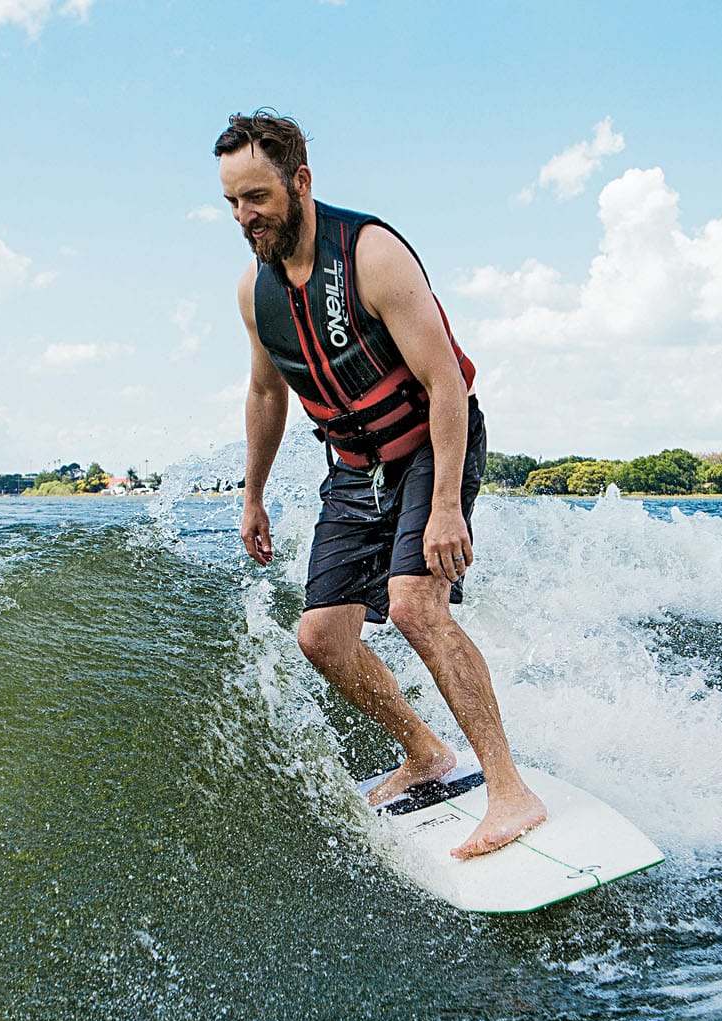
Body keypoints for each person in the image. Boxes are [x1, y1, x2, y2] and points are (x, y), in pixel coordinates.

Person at [214, 110, 546, 860]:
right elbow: (267, 394)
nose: (245, 217)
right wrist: (254, 494)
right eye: (233, 202)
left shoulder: (371, 254)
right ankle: (427, 754)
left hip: (431, 444)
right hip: (355, 472)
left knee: (413, 607)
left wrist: (445, 504)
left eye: (257, 197)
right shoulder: (255, 294)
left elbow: (446, 386)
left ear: (300, 181)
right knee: (320, 637)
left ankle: (510, 790)